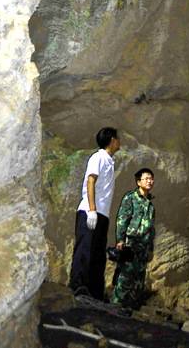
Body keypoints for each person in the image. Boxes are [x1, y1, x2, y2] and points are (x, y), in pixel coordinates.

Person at [69, 126, 120, 299]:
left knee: (98, 254)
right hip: (90, 212)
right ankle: (78, 288)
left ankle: (95, 292)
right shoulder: (98, 157)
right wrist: (92, 210)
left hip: (102, 214)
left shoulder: (109, 161)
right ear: (112, 140)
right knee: (84, 250)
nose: (119, 142)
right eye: (117, 139)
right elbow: (91, 181)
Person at [111, 167, 155, 310]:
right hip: (130, 244)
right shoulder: (130, 198)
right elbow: (122, 220)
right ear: (138, 182)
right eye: (146, 178)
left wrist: (150, 249)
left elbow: (151, 229)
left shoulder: (150, 205)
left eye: (151, 178)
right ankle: (114, 308)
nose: (150, 181)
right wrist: (120, 240)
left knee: (138, 281)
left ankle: (132, 311)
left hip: (143, 248)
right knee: (125, 277)